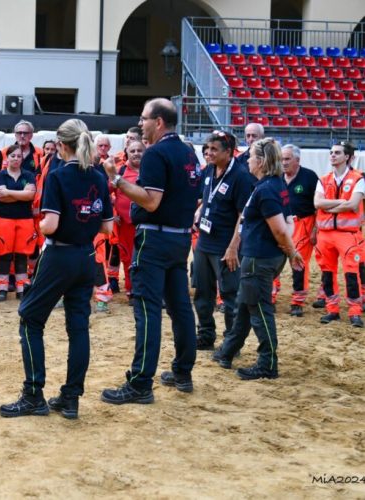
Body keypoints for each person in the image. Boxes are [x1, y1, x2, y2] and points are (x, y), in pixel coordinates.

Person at [0, 119, 113, 420]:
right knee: (78, 327)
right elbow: (107, 227)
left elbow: (50, 224)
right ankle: (71, 397)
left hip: (59, 255)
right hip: (86, 256)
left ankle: (33, 394)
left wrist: (38, 224)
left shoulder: (58, 176)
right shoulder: (99, 176)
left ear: (61, 145)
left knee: (30, 319)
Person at [100, 98, 202, 404]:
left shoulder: (157, 153)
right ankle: (183, 372)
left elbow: (151, 200)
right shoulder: (188, 151)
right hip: (179, 238)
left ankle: (140, 383)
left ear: (158, 122)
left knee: (147, 310)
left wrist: (115, 179)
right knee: (180, 308)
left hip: (154, 240)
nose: (140, 123)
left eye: (143, 118)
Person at [212, 138, 304, 379]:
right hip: (264, 257)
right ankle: (227, 351)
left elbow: (280, 229)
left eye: (251, 156)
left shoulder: (266, 190)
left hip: (259, 259)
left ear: (261, 162)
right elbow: (287, 224)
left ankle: (268, 363)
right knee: (245, 304)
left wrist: (292, 252)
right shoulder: (274, 185)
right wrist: (289, 251)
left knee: (260, 311)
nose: (248, 160)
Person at [192, 131, 254, 351]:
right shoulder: (209, 169)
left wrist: (233, 247)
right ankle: (206, 335)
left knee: (229, 295)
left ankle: (231, 341)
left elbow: (243, 215)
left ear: (228, 152)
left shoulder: (241, 176)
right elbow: (207, 197)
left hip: (226, 246)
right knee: (202, 291)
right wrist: (197, 211)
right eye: (207, 149)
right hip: (204, 242)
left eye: (214, 149)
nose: (208, 153)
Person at [313, 141, 364, 327]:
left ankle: (355, 312)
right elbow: (317, 204)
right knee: (327, 274)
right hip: (325, 235)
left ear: (348, 157)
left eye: (337, 153)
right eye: (331, 152)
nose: (332, 155)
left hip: (348, 235)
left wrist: (330, 205)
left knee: (352, 275)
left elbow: (353, 205)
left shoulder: (359, 178)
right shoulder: (323, 179)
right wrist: (341, 203)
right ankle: (332, 309)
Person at [0, 145, 37, 301]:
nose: (16, 159)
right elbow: (0, 197)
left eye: (19, 156)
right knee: (4, 254)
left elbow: (30, 195)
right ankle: (2, 288)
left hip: (25, 219)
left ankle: (21, 288)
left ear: (22, 158)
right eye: (13, 156)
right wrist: (21, 194)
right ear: (7, 158)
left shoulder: (29, 175)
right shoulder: (0, 175)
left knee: (22, 255)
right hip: (4, 219)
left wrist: (9, 193)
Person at [280, 144, 319, 316]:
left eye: (287, 159)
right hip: (280, 225)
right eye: (281, 159)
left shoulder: (309, 177)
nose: (284, 162)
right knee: (273, 260)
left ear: (297, 160)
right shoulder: (277, 177)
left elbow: (318, 206)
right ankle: (270, 297)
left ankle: (297, 301)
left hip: (303, 225)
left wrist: (315, 229)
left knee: (299, 263)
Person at [109, 139, 144, 304]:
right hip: (126, 225)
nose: (137, 153)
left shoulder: (152, 171)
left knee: (147, 258)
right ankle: (132, 291)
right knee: (128, 258)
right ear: (126, 154)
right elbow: (103, 192)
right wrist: (112, 213)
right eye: (133, 151)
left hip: (147, 224)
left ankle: (146, 290)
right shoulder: (119, 172)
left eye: (140, 150)